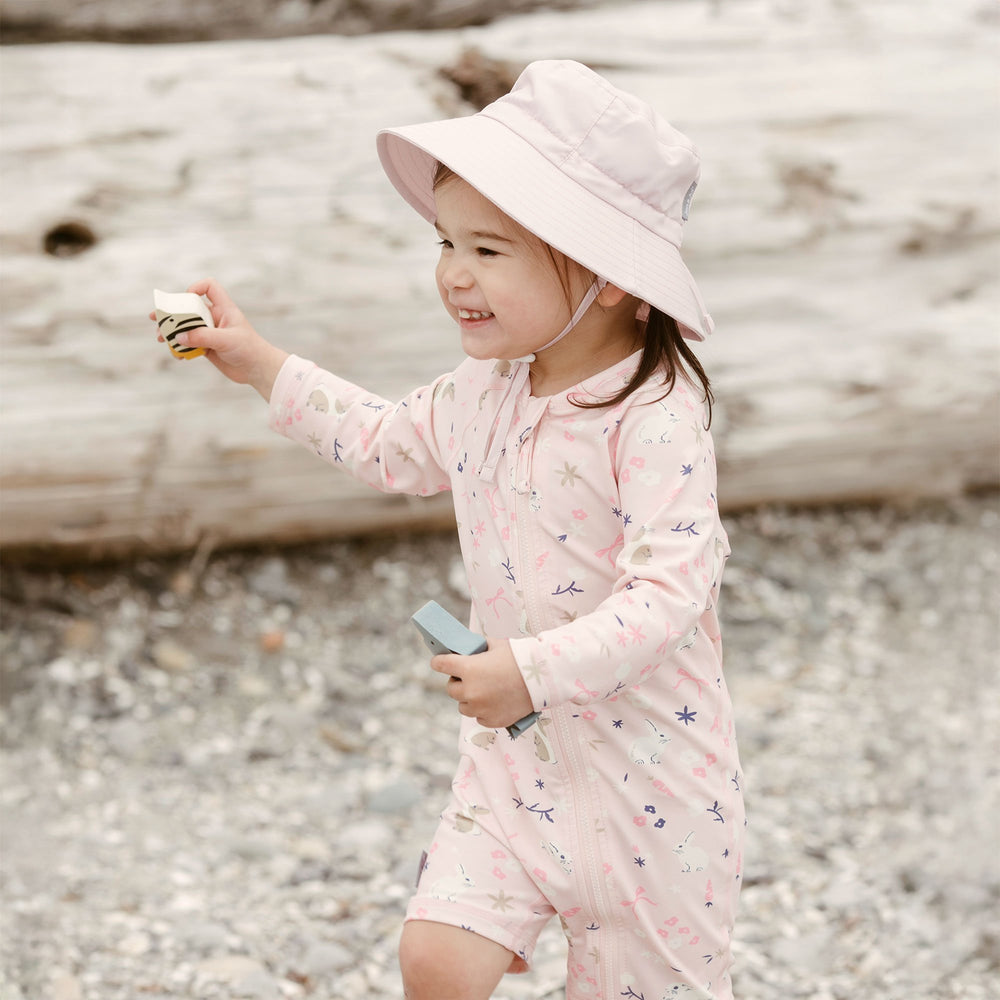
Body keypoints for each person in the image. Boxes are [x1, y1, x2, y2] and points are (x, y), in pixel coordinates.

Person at [161, 59, 743, 1000]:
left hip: (652, 786)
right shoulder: (486, 388)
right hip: (516, 763)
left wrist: (533, 668)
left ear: (609, 277)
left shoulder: (654, 416)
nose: (453, 275)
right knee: (436, 957)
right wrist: (260, 362)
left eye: (489, 250)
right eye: (446, 242)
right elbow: (387, 443)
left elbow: (670, 593)